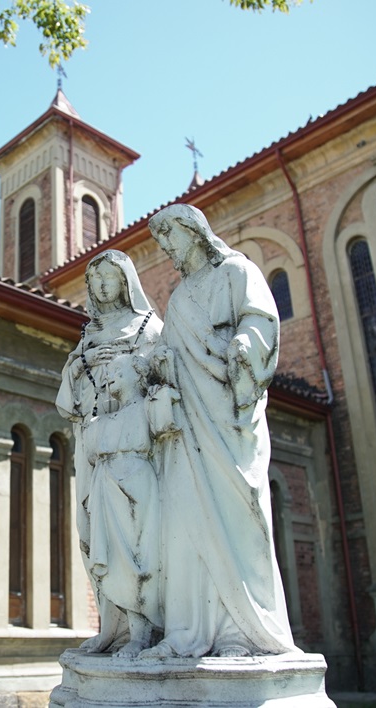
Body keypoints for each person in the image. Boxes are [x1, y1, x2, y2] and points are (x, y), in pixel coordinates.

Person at [139, 204, 299, 659]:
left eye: (171, 236)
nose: (167, 248)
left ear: (195, 231)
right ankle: (186, 631)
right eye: (162, 241)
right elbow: (168, 355)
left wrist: (244, 346)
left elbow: (261, 322)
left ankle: (242, 634)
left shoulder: (236, 272)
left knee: (237, 517)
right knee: (185, 521)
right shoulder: (179, 299)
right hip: (187, 429)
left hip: (227, 419)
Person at [56, 250, 163, 657]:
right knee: (92, 531)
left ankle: (144, 626)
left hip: (135, 443)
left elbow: (163, 379)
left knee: (136, 536)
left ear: (126, 281)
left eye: (109, 276)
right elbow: (67, 400)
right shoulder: (87, 335)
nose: (101, 285)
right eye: (95, 278)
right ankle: (110, 625)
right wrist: (83, 363)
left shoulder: (148, 328)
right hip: (93, 442)